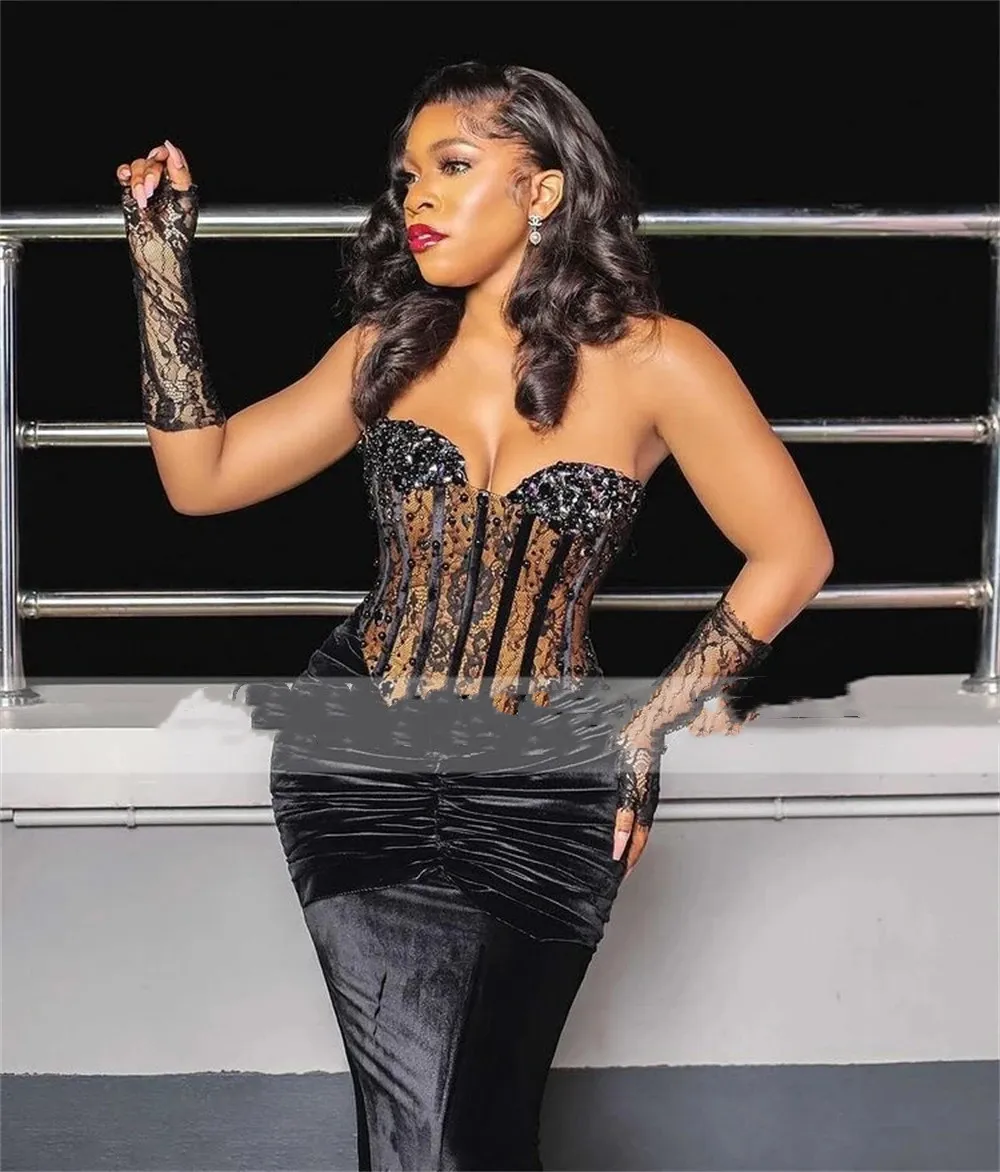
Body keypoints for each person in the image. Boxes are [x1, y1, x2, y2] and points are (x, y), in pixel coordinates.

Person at [116, 61, 833, 1172]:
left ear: (543, 191)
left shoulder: (659, 358)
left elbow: (793, 551)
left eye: (453, 167)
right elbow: (199, 479)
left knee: (474, 1124)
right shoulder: (386, 351)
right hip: (356, 759)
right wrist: (159, 257)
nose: (419, 197)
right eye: (408, 176)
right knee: (415, 1122)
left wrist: (647, 729)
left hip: (542, 781)